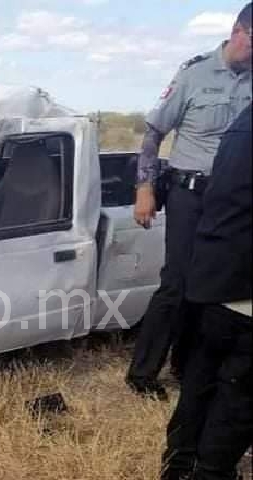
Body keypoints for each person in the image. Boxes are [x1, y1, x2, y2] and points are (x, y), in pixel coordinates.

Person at [126, 2, 252, 399]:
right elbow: (153, 133)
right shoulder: (194, 75)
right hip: (187, 194)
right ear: (239, 31)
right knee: (177, 283)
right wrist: (144, 188)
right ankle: (143, 374)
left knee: (214, 287)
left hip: (231, 202)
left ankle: (187, 366)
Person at [161, 102, 251, 480]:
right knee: (240, 394)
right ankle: (210, 472)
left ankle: (178, 466)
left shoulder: (243, 119)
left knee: (202, 376)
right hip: (245, 284)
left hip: (214, 274)